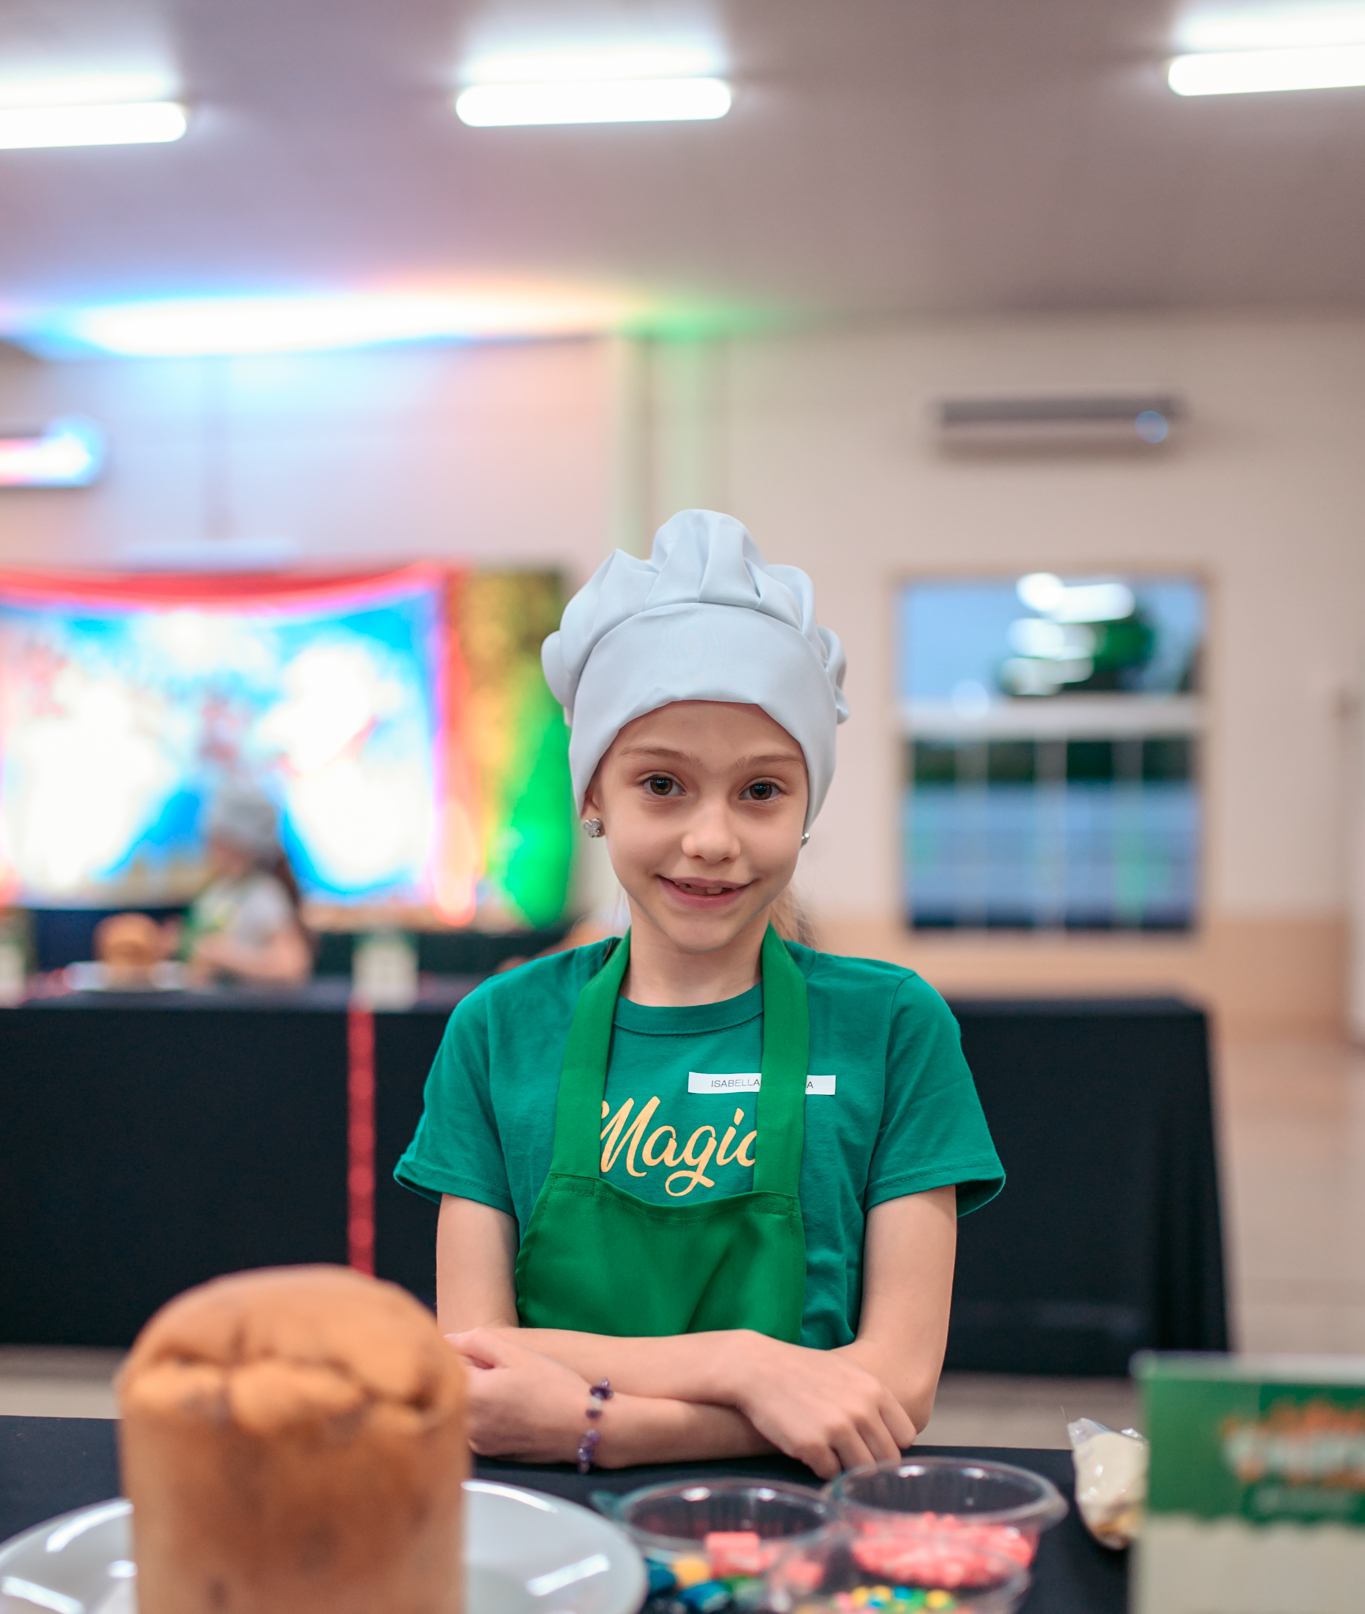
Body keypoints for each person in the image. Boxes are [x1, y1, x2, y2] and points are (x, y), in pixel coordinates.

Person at [396, 511, 1004, 1478]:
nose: (712, 839)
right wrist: (746, 1365)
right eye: (661, 784)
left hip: (797, 1513)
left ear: (807, 809)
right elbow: (476, 1357)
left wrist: (605, 1424)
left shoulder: (892, 1026)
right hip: (552, 1518)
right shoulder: (499, 1029)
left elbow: (893, 1386)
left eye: (761, 791)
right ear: (593, 798)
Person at [180, 786, 312, 986]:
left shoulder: (264, 894)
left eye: (217, 840)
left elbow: (292, 966)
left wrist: (229, 958)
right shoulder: (218, 889)